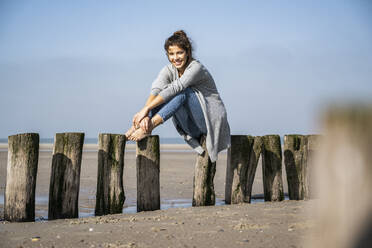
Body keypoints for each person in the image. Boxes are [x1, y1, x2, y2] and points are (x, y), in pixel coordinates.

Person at [125, 30, 230, 162]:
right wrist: (144, 115)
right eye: (171, 54)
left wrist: (146, 111)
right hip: (191, 126)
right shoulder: (169, 70)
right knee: (164, 94)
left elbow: (177, 87)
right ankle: (140, 126)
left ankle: (149, 126)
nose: (176, 58)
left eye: (180, 52)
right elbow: (156, 91)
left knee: (181, 92)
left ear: (188, 52)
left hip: (210, 123)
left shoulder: (196, 68)